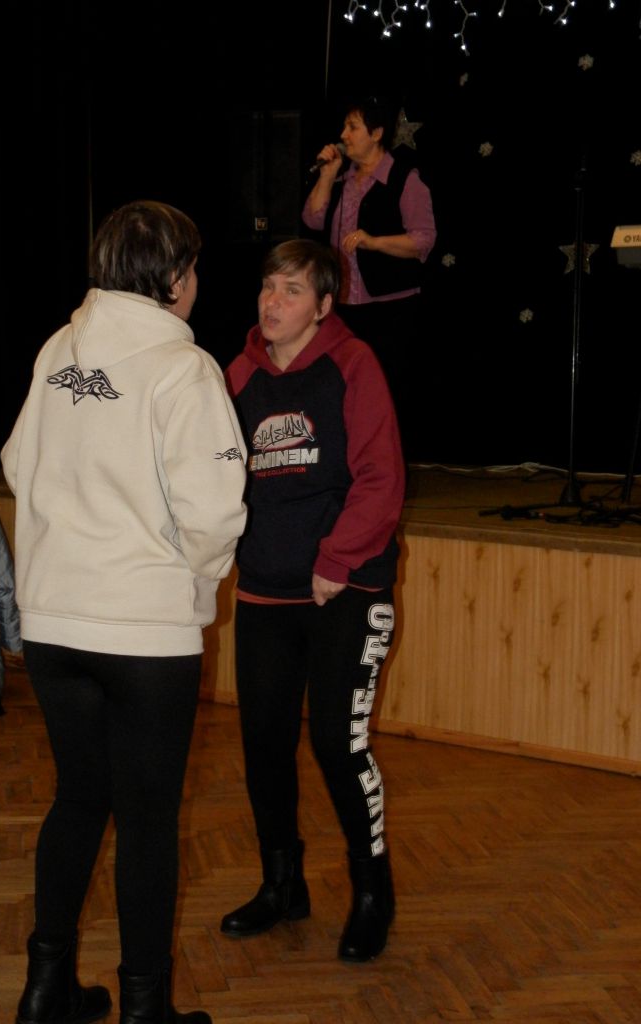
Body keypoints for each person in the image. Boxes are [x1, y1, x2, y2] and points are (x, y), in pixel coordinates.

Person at [1, 200, 247, 1024]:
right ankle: (146, 1010)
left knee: (78, 799)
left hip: (52, 625)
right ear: (174, 276)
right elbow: (215, 513)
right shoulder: (186, 368)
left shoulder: (57, 350)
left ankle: (45, 990)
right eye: (194, 266)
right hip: (144, 632)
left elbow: (16, 460)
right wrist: (194, 588)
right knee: (147, 823)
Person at [220, 238, 405, 963]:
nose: (273, 301)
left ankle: (372, 893)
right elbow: (218, 478)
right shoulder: (238, 375)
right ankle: (283, 885)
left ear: (324, 305)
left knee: (337, 741)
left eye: (292, 290)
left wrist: (335, 559)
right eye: (269, 286)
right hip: (266, 591)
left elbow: (381, 478)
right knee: (264, 742)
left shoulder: (354, 364)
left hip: (345, 588)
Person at [302, 96, 437, 462]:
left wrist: (374, 242)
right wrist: (327, 175)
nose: (344, 135)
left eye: (353, 127)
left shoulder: (404, 179)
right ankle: (349, 462)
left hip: (390, 306)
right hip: (344, 304)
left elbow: (423, 240)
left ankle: (388, 466)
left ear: (376, 133)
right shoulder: (342, 180)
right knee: (345, 386)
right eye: (344, 127)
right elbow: (313, 220)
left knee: (388, 388)